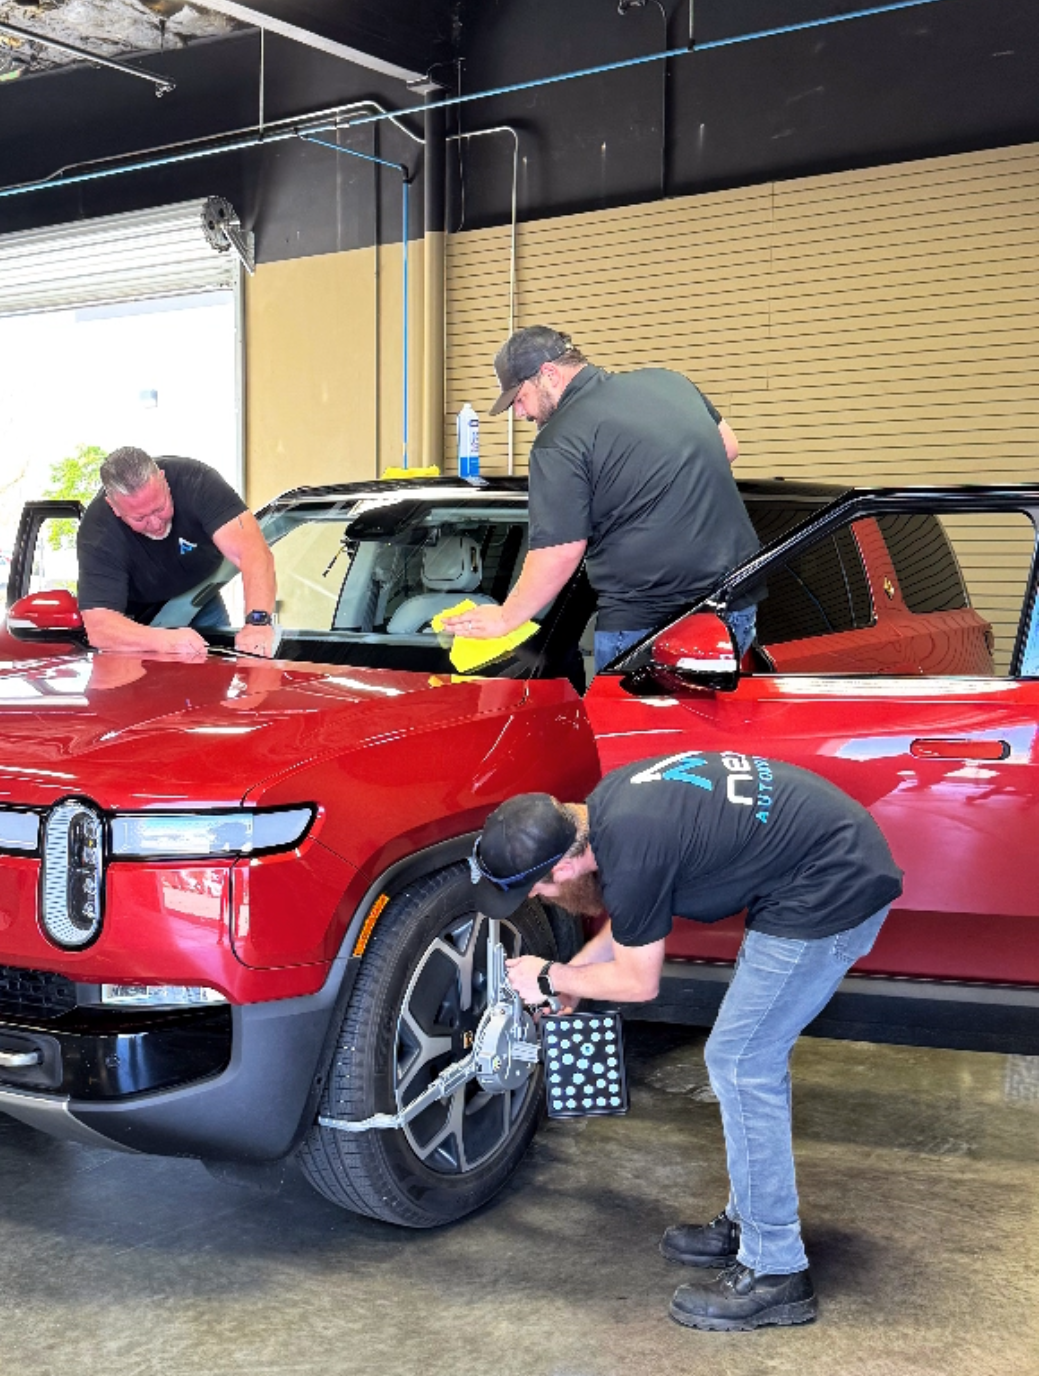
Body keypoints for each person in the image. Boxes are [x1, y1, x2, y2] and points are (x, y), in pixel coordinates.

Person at [468, 751, 904, 1331]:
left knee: (742, 1061)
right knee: (741, 1055)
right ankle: (751, 1220)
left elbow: (638, 982)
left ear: (563, 871)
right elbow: (630, 921)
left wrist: (549, 976)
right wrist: (573, 974)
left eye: (536, 892)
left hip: (832, 887)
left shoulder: (632, 851)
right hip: (804, 871)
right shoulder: (607, 810)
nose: (540, 901)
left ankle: (776, 1270)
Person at [441, 327, 761, 672]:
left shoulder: (559, 439)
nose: (520, 413)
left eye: (520, 397)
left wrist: (505, 618)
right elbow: (727, 446)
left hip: (646, 626)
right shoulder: (668, 381)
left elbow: (560, 551)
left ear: (549, 374)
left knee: (633, 727)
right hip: (734, 608)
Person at [76, 446, 277, 661]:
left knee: (216, 680)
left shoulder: (198, 482)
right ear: (114, 507)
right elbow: (100, 627)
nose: (155, 524)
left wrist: (257, 622)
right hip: (138, 621)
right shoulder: (98, 531)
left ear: (164, 481)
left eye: (159, 508)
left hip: (200, 596)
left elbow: (253, 553)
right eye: (140, 518)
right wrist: (163, 640)